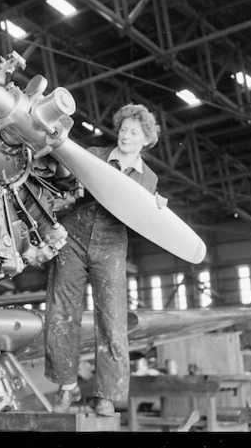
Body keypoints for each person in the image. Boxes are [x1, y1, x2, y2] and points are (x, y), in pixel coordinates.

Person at [45, 103, 166, 415]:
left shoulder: (148, 179)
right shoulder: (95, 154)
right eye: (124, 129)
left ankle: (107, 396)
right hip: (72, 236)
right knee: (61, 312)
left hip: (111, 245)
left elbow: (141, 219)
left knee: (112, 319)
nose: (126, 135)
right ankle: (67, 387)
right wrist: (66, 170)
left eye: (134, 132)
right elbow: (60, 178)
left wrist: (157, 208)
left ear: (146, 140)